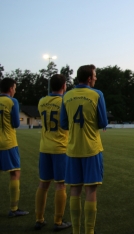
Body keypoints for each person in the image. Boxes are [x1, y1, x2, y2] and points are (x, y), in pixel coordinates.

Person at [60, 65, 108, 234]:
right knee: (90, 189)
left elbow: (63, 124)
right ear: (89, 78)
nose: (95, 78)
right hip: (91, 149)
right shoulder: (97, 94)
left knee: (74, 189)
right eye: (94, 76)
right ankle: (89, 231)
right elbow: (103, 123)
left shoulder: (67, 96)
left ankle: (76, 231)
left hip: (72, 149)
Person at [34, 74, 71, 231]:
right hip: (60, 148)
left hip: (44, 148)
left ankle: (39, 219)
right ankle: (58, 221)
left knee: (43, 184)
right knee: (60, 185)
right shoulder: (65, 102)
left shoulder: (42, 101)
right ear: (64, 86)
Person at [0, 78, 29, 217]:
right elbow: (16, 123)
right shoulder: (12, 101)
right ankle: (14, 208)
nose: (15, 90)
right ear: (11, 88)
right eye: (15, 88)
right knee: (15, 173)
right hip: (8, 142)